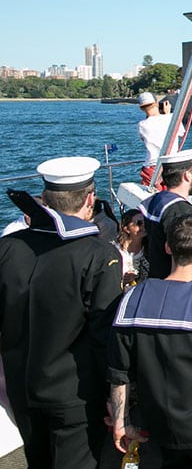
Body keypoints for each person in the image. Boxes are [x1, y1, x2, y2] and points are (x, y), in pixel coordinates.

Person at [0, 157, 123, 468]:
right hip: (75, 393)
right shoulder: (99, 255)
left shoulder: (9, 247)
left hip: (21, 387)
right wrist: (117, 397)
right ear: (90, 199)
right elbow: (103, 334)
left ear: (44, 200)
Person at [108, 213, 192, 469]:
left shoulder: (132, 301)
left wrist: (121, 421)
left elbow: (120, 374)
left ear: (168, 247)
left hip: (159, 428)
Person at [140, 149, 192, 280]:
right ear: (187, 176)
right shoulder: (183, 213)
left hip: (157, 278)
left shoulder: (156, 201)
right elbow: (189, 259)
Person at [136, 92, 185, 186]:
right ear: (157, 103)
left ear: (141, 108)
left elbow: (143, 139)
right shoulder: (171, 118)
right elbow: (181, 133)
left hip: (152, 167)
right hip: (171, 164)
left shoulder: (141, 125)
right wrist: (168, 114)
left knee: (153, 197)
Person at [116, 208, 148, 286]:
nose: (144, 226)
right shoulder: (116, 251)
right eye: (139, 223)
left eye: (145, 222)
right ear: (127, 229)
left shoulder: (149, 250)